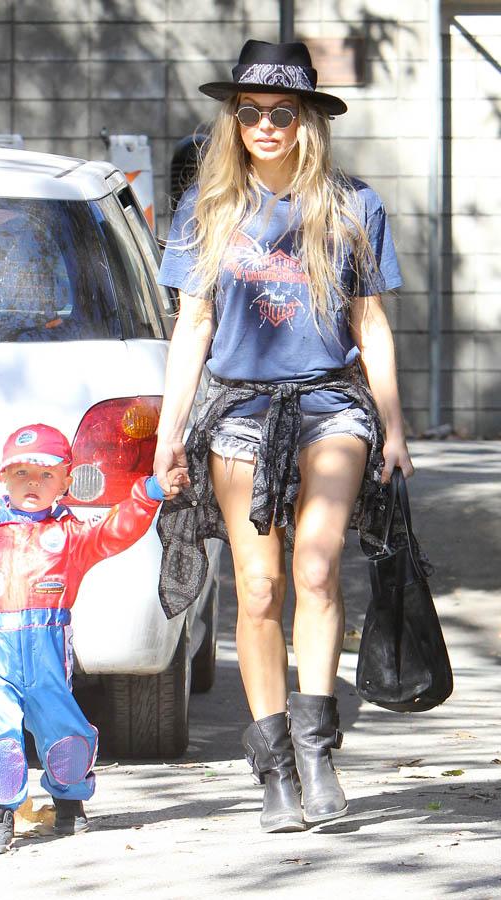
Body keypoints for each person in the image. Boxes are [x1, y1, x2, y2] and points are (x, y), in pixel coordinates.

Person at [153, 39, 414, 834]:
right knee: (259, 587)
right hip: (237, 408)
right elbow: (192, 327)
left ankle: (316, 749)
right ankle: (271, 765)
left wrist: (394, 426)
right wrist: (168, 437)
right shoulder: (208, 208)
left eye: (282, 112)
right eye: (250, 112)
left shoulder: (353, 203)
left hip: (332, 404)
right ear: (233, 120)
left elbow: (371, 323)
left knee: (317, 564)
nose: (266, 125)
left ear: (307, 120)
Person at [0, 423, 184, 855]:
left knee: (63, 730)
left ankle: (69, 800)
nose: (33, 483)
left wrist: (149, 492)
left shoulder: (72, 533)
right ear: (2, 479)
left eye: (46, 475)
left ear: (66, 482)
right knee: (0, 732)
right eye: (21, 474)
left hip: (48, 649)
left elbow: (115, 529)